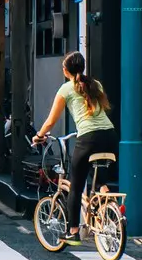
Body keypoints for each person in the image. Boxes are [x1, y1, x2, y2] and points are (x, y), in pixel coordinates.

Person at [32, 51, 118, 244]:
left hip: (88, 138)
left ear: (66, 70)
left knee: (76, 186)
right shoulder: (96, 84)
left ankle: (73, 232)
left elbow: (50, 122)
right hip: (110, 136)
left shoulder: (66, 89)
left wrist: (39, 136)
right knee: (98, 179)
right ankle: (108, 209)